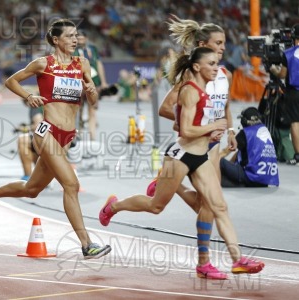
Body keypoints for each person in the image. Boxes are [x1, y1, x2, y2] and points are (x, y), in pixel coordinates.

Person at [100, 46, 264, 278]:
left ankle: (237, 261)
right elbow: (186, 130)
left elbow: (188, 121)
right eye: (211, 64)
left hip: (200, 157)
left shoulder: (208, 89)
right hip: (179, 156)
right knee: (156, 206)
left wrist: (217, 130)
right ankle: (113, 206)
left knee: (219, 207)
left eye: (217, 63)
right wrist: (212, 127)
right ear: (197, 67)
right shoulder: (190, 91)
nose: (216, 68)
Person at [0, 19, 111, 259]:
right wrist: (28, 96)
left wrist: (92, 93)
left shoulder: (83, 64)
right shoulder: (43, 64)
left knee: (32, 189)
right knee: (71, 184)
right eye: (69, 36)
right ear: (56, 40)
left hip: (67, 135)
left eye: (75, 35)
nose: (74, 40)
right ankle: (87, 245)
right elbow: (10, 81)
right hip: (46, 131)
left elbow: (94, 101)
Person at [148, 16, 238, 279]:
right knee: (209, 205)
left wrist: (229, 130)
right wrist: (188, 124)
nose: (222, 48)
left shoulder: (225, 74)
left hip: (213, 146)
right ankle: (204, 261)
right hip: (193, 145)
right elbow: (166, 108)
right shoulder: (191, 76)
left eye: (224, 43)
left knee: (208, 204)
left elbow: (226, 107)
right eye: (217, 44)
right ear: (203, 45)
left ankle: (171, 185)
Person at [220, 107, 279, 187]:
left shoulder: (246, 133)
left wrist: (213, 160)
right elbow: (240, 153)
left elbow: (225, 151)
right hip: (264, 180)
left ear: (244, 121)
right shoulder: (265, 131)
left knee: (220, 161)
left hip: (249, 175)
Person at [269, 23, 299, 165]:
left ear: (295, 38)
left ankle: (298, 156)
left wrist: (274, 70)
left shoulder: (288, 54)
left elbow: (282, 74)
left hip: (294, 93)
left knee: (295, 123)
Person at [73, 29, 108, 140]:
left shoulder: (93, 49)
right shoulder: (72, 50)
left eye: (82, 38)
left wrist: (103, 82)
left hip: (94, 82)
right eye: (78, 38)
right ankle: (78, 134)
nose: (80, 40)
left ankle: (93, 137)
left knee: (92, 109)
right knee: (79, 109)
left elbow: (99, 64)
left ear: (86, 39)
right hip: (79, 83)